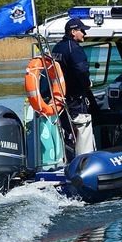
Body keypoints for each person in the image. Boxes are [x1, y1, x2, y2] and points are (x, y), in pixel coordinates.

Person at [51, 18, 96, 161]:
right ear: (73, 32)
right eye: (82, 31)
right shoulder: (75, 49)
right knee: (82, 129)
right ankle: (84, 162)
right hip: (75, 100)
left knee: (66, 132)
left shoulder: (57, 48)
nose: (84, 34)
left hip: (60, 99)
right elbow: (81, 71)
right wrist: (87, 83)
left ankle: (67, 160)